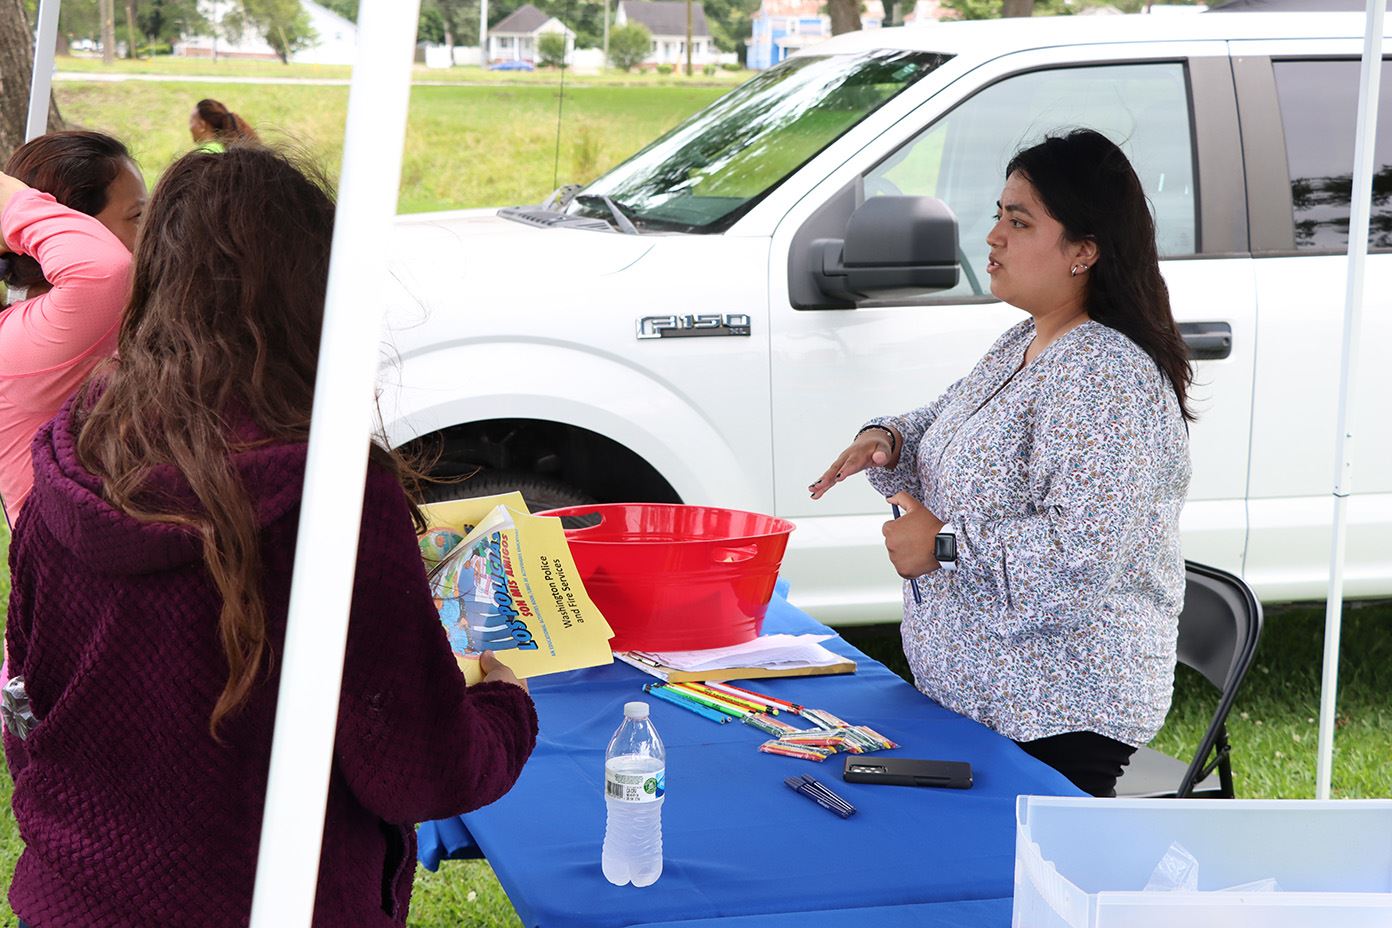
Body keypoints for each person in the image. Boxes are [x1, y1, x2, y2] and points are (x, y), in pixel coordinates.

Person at [1, 146, 537, 927]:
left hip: (79, 893)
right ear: (316, 292)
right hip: (267, 898)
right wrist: (503, 706)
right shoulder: (327, 492)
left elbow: (26, 705)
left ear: (155, 281)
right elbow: (418, 769)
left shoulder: (70, 453)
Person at [810, 129, 1192, 798]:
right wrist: (889, 437)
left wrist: (944, 547)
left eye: (1019, 222)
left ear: (1084, 251)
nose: (993, 237)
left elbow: (1080, 556)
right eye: (998, 215)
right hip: (978, 699)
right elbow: (947, 416)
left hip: (1058, 717)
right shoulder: (1029, 339)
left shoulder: (1104, 377)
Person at [0, 130, 145, 519]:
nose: (150, 233)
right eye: (137, 216)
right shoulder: (31, 336)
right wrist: (12, 201)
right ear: (72, 229)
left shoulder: (66, 319)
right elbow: (104, 269)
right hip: (72, 567)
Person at [189, 98, 259, 151]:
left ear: (202, 125)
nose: (190, 127)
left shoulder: (204, 155)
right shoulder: (228, 149)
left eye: (191, 121)